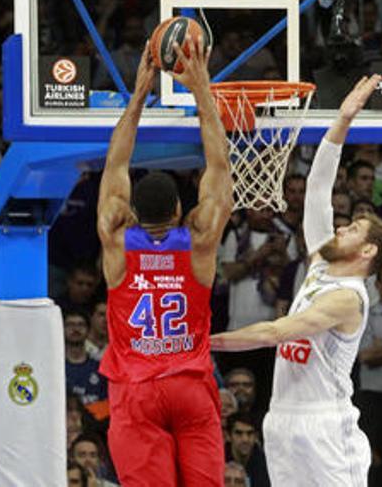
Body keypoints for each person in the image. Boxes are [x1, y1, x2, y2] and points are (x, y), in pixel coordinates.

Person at [212, 75, 382, 486]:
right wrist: (343, 119)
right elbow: (317, 188)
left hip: (325, 425)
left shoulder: (349, 299)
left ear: (367, 252)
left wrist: (207, 342)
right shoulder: (319, 263)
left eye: (353, 230)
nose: (342, 227)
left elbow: (279, 330)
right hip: (281, 418)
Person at [96, 38, 233, 486]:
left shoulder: (117, 238)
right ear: (180, 210)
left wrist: (138, 96)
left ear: (133, 209)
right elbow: (219, 167)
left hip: (136, 389)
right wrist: (201, 89)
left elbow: (116, 165)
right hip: (190, 386)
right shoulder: (199, 240)